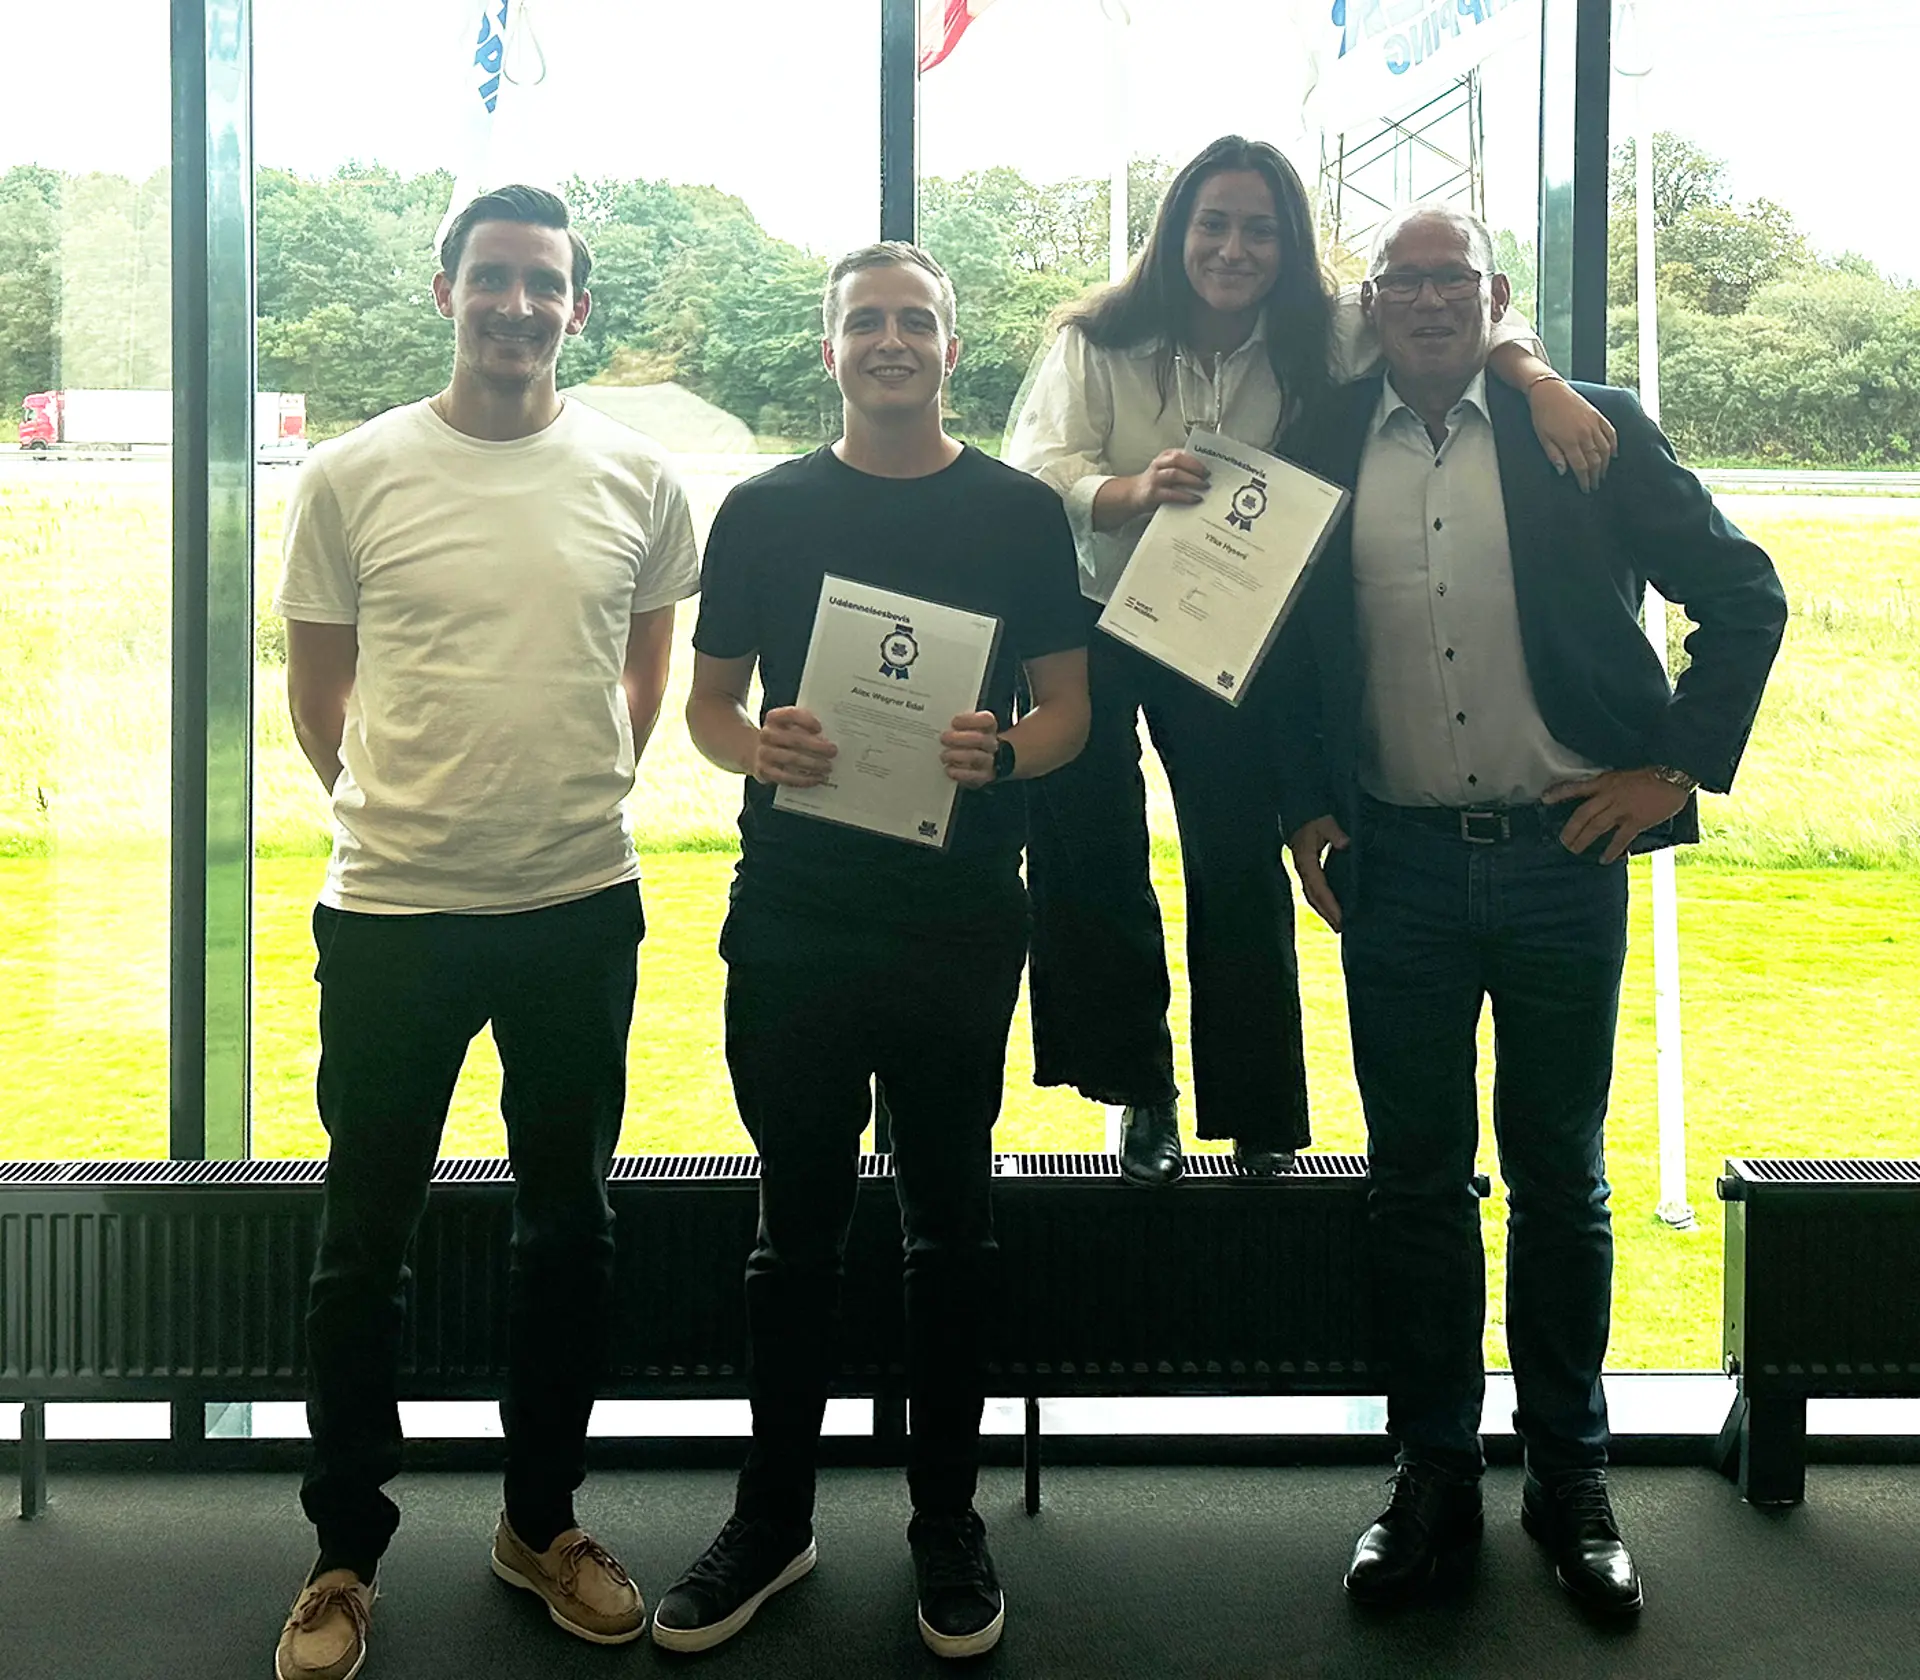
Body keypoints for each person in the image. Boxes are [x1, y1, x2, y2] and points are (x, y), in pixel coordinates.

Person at [1278, 204, 1786, 1615]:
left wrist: (1673, 768)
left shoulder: (1586, 429)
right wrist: (1302, 806)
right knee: (1415, 1184)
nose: (1429, 301)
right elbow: (1279, 647)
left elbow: (1744, 597)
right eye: (1404, 281)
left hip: (1565, 859)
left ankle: (1572, 1478)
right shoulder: (1319, 439)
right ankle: (1433, 1475)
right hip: (1397, 870)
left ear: (1494, 297)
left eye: (1455, 279)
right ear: (1373, 304)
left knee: (1560, 1178)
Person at [1005, 135, 1619, 1187]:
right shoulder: (1098, 335)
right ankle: (1139, 1091)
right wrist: (1129, 491)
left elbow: (1467, 309)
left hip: (1229, 624)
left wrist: (1539, 379)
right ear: (1176, 232)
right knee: (1090, 852)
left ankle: (1257, 1113)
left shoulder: (1330, 331)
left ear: (1290, 245)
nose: (1234, 249)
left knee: (1238, 860)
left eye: (1260, 229)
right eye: (1213, 224)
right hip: (1096, 610)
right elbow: (1037, 465)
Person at [271, 184, 700, 1680]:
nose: (518, 305)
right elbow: (317, 696)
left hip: (578, 904)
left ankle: (541, 1523)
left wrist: (557, 802)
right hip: (393, 913)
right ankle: (342, 1555)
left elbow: (643, 679)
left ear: (577, 306)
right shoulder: (351, 475)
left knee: (569, 1233)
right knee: (362, 1244)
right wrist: (409, 814)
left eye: (545, 284)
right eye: (493, 278)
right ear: (446, 289)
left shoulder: (640, 476)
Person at [651, 242, 1089, 1661]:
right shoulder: (764, 511)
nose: (890, 342)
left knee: (951, 1228)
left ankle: (945, 1521)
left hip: (960, 918)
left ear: (951, 348)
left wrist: (1004, 749)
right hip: (797, 911)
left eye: (915, 321)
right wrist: (756, 746)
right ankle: (771, 1520)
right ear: (830, 344)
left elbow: (1069, 714)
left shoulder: (1018, 514)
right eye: (865, 322)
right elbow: (710, 711)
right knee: (794, 1234)